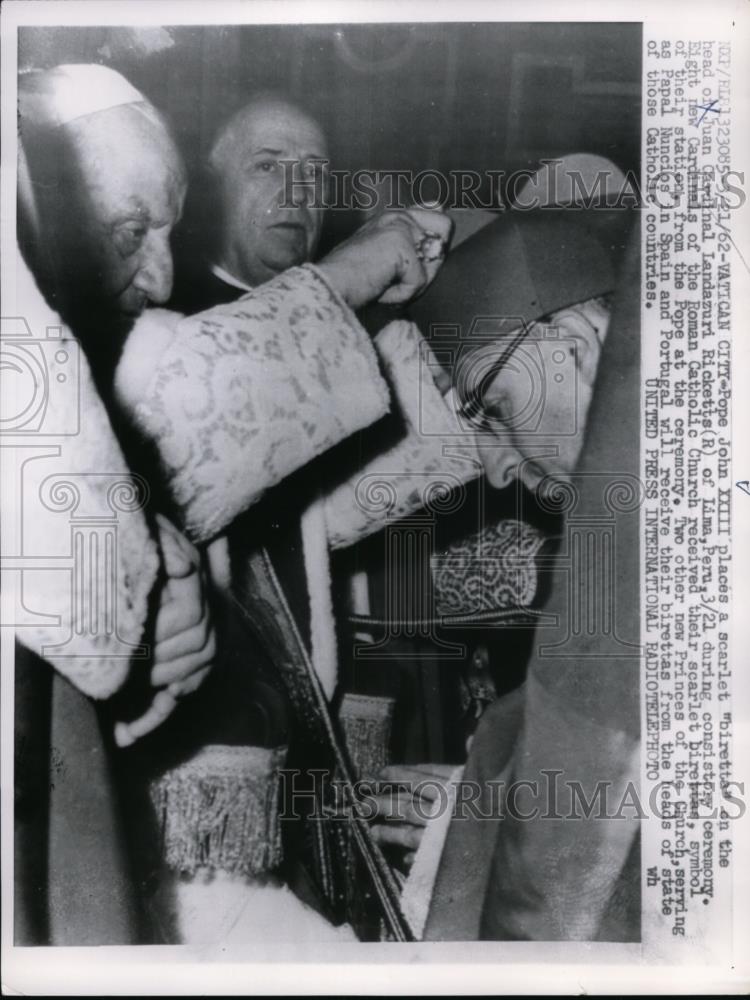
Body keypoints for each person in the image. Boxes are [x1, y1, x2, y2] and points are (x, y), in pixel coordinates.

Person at [15, 63, 457, 943]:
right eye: (129, 227)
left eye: (317, 169)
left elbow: (307, 522)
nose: (157, 267)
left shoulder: (149, 329)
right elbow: (205, 394)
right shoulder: (103, 348)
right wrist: (357, 269)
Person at [170, 93, 329, 312]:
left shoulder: (342, 317)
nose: (298, 194)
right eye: (266, 167)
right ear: (211, 188)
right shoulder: (171, 324)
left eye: (313, 172)